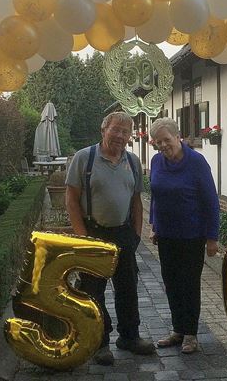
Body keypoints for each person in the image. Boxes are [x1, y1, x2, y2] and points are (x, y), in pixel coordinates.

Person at [65, 111, 156, 365]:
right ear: (103, 129)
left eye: (126, 132)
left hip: (124, 232)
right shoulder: (85, 158)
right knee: (93, 290)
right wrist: (83, 238)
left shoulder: (133, 161)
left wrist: (136, 234)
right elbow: (71, 200)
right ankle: (99, 341)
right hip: (94, 233)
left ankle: (129, 336)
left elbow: (137, 201)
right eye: (116, 129)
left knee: (128, 288)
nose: (120, 135)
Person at [149, 117, 220, 354]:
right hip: (166, 235)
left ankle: (191, 334)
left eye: (166, 140)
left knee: (189, 284)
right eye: (158, 142)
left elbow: (211, 201)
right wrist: (154, 224)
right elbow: (155, 196)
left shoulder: (197, 162)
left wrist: (212, 237)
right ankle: (178, 330)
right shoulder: (157, 161)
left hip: (192, 235)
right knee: (171, 283)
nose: (162, 146)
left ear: (178, 136)